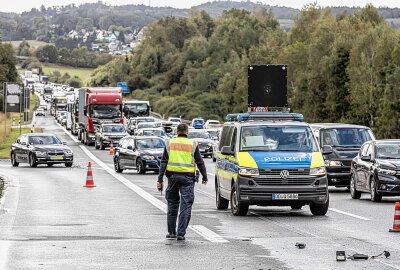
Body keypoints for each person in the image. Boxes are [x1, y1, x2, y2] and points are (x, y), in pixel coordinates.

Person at [157, 123, 208, 241]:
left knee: (172, 204)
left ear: (177, 132)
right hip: (188, 179)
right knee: (185, 206)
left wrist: (159, 179)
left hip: (172, 178)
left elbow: (163, 162)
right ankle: (181, 233)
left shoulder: (170, 143)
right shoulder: (192, 144)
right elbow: (200, 162)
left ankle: (171, 232)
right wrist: (205, 176)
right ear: (187, 131)